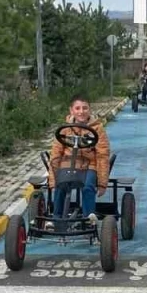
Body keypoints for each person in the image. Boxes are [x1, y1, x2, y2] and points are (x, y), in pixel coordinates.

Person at [49, 94, 110, 222]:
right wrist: (53, 180)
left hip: (89, 165)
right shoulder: (64, 129)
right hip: (67, 163)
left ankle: (88, 218)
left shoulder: (97, 129)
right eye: (77, 108)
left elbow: (102, 155)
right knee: (61, 186)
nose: (81, 112)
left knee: (88, 187)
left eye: (85, 108)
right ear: (71, 110)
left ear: (89, 110)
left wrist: (102, 183)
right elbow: (55, 155)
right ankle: (56, 218)